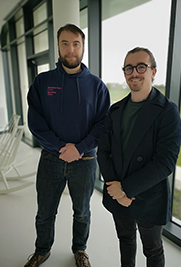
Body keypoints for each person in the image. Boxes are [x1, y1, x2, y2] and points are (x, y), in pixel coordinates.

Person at [24, 24, 110, 267]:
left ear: (83, 47)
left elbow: (103, 124)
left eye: (76, 44)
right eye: (65, 43)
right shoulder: (43, 82)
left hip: (84, 162)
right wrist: (61, 147)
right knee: (44, 212)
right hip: (51, 159)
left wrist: (79, 148)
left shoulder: (97, 86)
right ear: (58, 46)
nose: (70, 49)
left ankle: (80, 250)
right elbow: (36, 121)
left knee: (82, 212)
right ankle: (42, 250)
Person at [97, 47, 181, 267]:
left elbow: (165, 162)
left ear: (153, 71)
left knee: (152, 250)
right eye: (129, 68)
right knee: (125, 240)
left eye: (141, 67)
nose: (134, 73)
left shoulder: (167, 111)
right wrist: (116, 189)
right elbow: (103, 151)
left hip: (148, 195)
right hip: (117, 193)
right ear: (124, 73)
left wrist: (126, 189)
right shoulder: (115, 110)